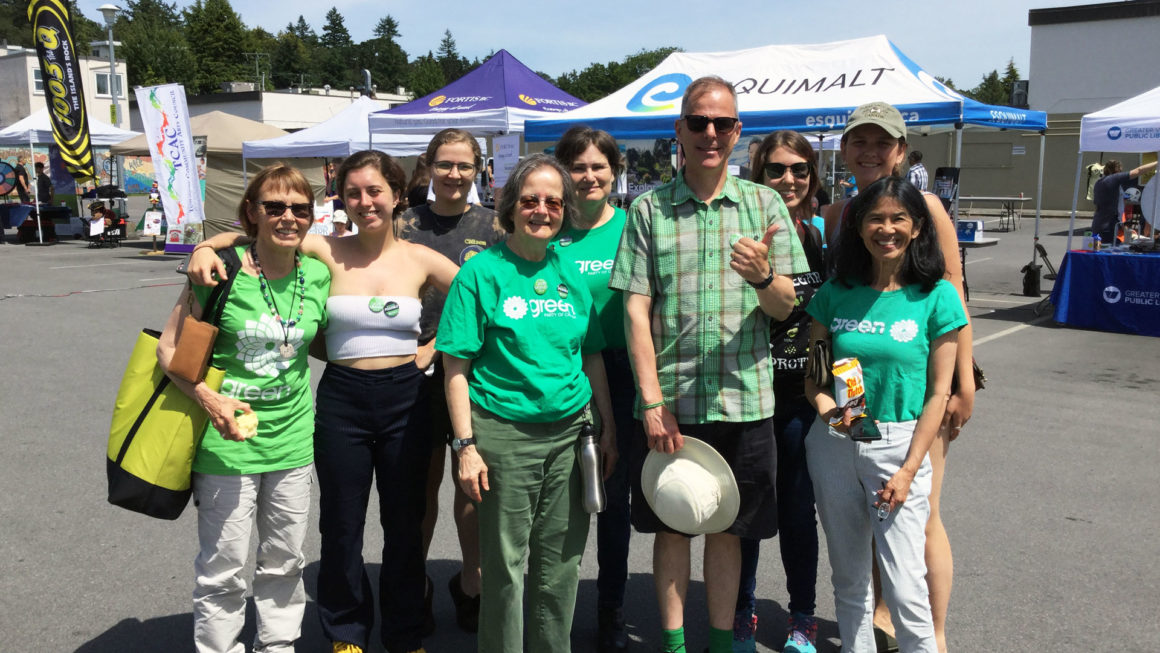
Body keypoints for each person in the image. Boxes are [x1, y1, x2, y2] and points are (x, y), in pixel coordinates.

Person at [187, 150, 459, 653]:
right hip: (343, 401)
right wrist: (206, 245)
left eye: (375, 191)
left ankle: (404, 632)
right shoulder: (323, 249)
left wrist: (432, 347)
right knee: (341, 524)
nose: (364, 202)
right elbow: (255, 231)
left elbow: (476, 294)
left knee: (405, 524)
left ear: (398, 196)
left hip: (407, 400)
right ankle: (346, 632)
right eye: (353, 193)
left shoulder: (420, 257)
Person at [608, 76, 809, 653]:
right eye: (698, 122)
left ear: (739, 133)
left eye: (723, 123)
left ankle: (720, 644)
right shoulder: (648, 210)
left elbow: (785, 306)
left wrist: (763, 276)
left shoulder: (764, 204)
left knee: (730, 531)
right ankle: (673, 646)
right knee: (672, 527)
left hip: (745, 400)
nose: (711, 134)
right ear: (680, 131)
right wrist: (650, 402)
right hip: (672, 404)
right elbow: (636, 312)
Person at [436, 153, 615, 653]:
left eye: (553, 201)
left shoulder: (571, 273)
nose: (542, 210)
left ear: (565, 209)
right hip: (503, 436)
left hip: (570, 435)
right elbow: (455, 368)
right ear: (511, 206)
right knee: (506, 569)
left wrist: (608, 429)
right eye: (531, 200)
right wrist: (465, 445)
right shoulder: (482, 273)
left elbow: (592, 355)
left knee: (561, 565)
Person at [156, 163, 331, 653]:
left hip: (293, 443)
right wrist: (209, 398)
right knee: (223, 568)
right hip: (225, 444)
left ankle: (277, 646)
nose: (288, 217)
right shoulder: (218, 273)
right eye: (273, 207)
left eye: (299, 208)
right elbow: (168, 352)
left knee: (285, 562)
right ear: (251, 213)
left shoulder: (317, 273)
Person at [822, 102, 974, 653]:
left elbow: (952, 292)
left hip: (916, 390)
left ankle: (932, 634)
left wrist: (963, 383)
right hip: (856, 403)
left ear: (901, 150)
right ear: (844, 149)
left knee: (920, 517)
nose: (869, 151)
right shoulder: (838, 213)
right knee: (869, 524)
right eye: (858, 141)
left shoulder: (927, 206)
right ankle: (879, 618)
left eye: (881, 142)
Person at [397, 128, 506, 635]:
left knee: (473, 486)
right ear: (429, 166)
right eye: (445, 164)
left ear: (479, 169)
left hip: (476, 376)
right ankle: (414, 585)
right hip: (412, 374)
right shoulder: (403, 223)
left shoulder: (495, 225)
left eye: (465, 165)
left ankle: (472, 582)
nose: (455, 175)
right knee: (421, 488)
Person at [733, 131, 828, 653]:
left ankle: (803, 617)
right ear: (759, 175)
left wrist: (843, 401)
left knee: (797, 511)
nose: (788, 179)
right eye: (776, 170)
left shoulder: (821, 237)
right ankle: (742, 611)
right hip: (747, 394)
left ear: (812, 178)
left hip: (802, 398)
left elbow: (832, 321)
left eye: (799, 170)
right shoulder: (741, 234)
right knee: (745, 512)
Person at [552, 125, 634, 652]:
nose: (588, 177)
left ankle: (611, 610)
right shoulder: (545, 228)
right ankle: (552, 611)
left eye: (597, 166)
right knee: (562, 498)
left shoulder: (633, 227)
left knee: (614, 501)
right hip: (560, 372)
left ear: (614, 170)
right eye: (578, 167)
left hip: (624, 372)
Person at [1091, 159, 1158, 242]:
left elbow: (1113, 210)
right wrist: (1157, 162)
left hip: (1099, 223)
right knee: (1110, 249)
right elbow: (1138, 170)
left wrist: (1125, 229)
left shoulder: (1099, 182)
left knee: (1102, 249)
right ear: (1118, 170)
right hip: (1107, 227)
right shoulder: (1113, 179)